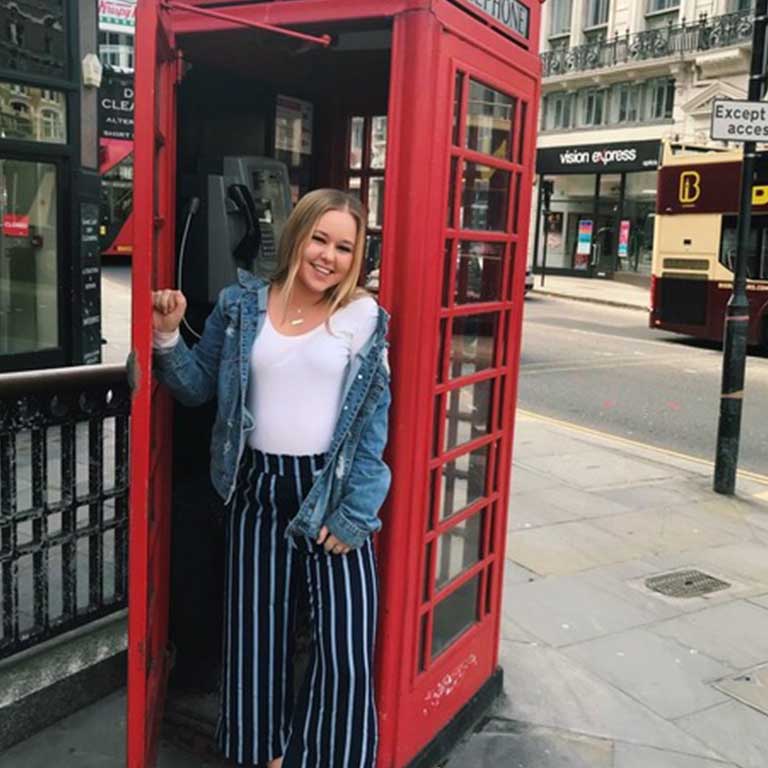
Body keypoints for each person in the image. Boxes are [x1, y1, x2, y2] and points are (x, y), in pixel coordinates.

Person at [151, 188, 391, 768]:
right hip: (256, 487)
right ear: (296, 236)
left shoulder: (363, 316)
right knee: (256, 640)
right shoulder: (240, 304)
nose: (327, 256)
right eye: (319, 238)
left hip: (330, 492)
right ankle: (270, 756)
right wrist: (166, 335)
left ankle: (330, 758)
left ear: (356, 255)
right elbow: (197, 387)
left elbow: (372, 421)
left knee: (346, 647)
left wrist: (356, 511)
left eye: (343, 246)